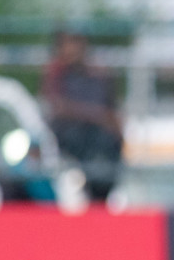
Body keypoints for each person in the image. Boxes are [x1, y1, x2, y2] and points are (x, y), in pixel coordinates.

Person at [42, 30, 121, 202]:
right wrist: (97, 115)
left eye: (76, 43)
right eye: (68, 43)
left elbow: (112, 114)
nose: (72, 49)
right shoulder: (56, 74)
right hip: (68, 141)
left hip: (96, 142)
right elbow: (58, 108)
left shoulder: (99, 75)